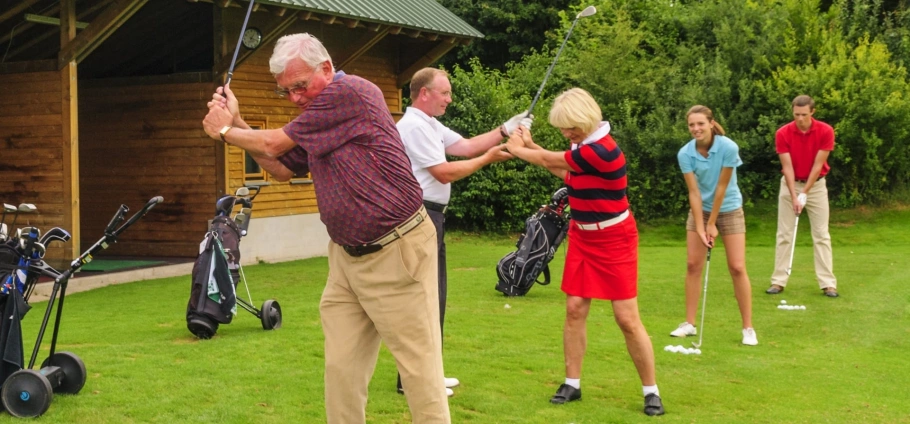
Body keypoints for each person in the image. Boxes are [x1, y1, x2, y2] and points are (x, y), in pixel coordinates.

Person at [202, 33, 449, 424]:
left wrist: (225, 131)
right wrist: (236, 121)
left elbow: (276, 140)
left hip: (398, 250)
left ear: (327, 69)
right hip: (346, 259)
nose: (296, 97)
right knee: (342, 373)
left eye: (301, 85)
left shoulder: (350, 92)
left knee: (420, 373)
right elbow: (282, 167)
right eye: (287, 92)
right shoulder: (316, 118)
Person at [504, 88, 664, 416]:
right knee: (575, 308)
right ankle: (572, 384)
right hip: (583, 237)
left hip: (615, 238)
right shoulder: (582, 146)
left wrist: (520, 150)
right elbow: (568, 174)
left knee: (626, 318)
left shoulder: (603, 151)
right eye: (562, 128)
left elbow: (554, 160)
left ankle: (651, 391)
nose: (565, 133)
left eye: (568, 127)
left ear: (584, 119)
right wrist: (531, 146)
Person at [396, 67, 527, 397]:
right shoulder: (412, 126)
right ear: (424, 93)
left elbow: (465, 147)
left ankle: (428, 373)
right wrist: (488, 160)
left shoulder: (429, 124)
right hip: (420, 215)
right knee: (424, 298)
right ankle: (414, 380)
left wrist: (504, 129)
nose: (449, 99)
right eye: (445, 93)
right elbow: (443, 173)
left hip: (432, 217)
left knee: (435, 296)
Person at [670, 105, 757, 346]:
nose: (696, 129)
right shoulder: (685, 153)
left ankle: (748, 328)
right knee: (692, 264)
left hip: (729, 207)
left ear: (711, 123)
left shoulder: (728, 147)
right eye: (691, 125)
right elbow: (694, 192)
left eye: (700, 123)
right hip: (700, 209)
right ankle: (688, 323)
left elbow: (721, 187)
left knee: (737, 267)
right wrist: (700, 226)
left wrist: (712, 223)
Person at [766, 95, 839, 298]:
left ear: (812, 112)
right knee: (784, 234)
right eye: (796, 114)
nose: (800, 119)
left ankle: (828, 284)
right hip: (790, 185)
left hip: (816, 186)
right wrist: (794, 195)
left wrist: (805, 193)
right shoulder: (783, 133)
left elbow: (818, 166)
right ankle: (778, 281)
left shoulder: (825, 131)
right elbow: (787, 167)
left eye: (804, 114)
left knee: (821, 235)